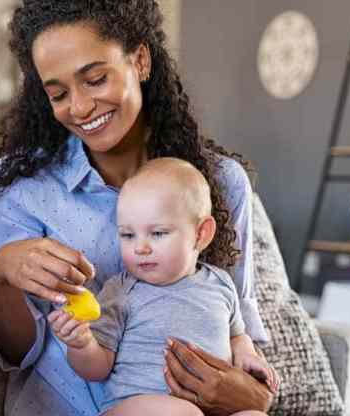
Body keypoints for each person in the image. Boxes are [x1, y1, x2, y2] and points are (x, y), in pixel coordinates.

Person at [0, 1, 278, 414]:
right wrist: (6, 272)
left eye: (95, 79)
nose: (78, 107)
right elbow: (10, 353)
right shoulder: (22, 188)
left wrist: (253, 393)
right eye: (58, 93)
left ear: (140, 60)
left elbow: (237, 323)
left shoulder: (220, 182)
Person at [48, 158, 277, 416]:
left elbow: (237, 334)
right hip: (133, 407)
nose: (140, 247)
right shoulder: (121, 291)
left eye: (157, 233)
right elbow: (97, 368)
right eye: (127, 235)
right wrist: (81, 344)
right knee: (182, 413)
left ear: (201, 234)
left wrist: (247, 355)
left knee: (255, 415)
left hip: (210, 410)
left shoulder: (221, 283)